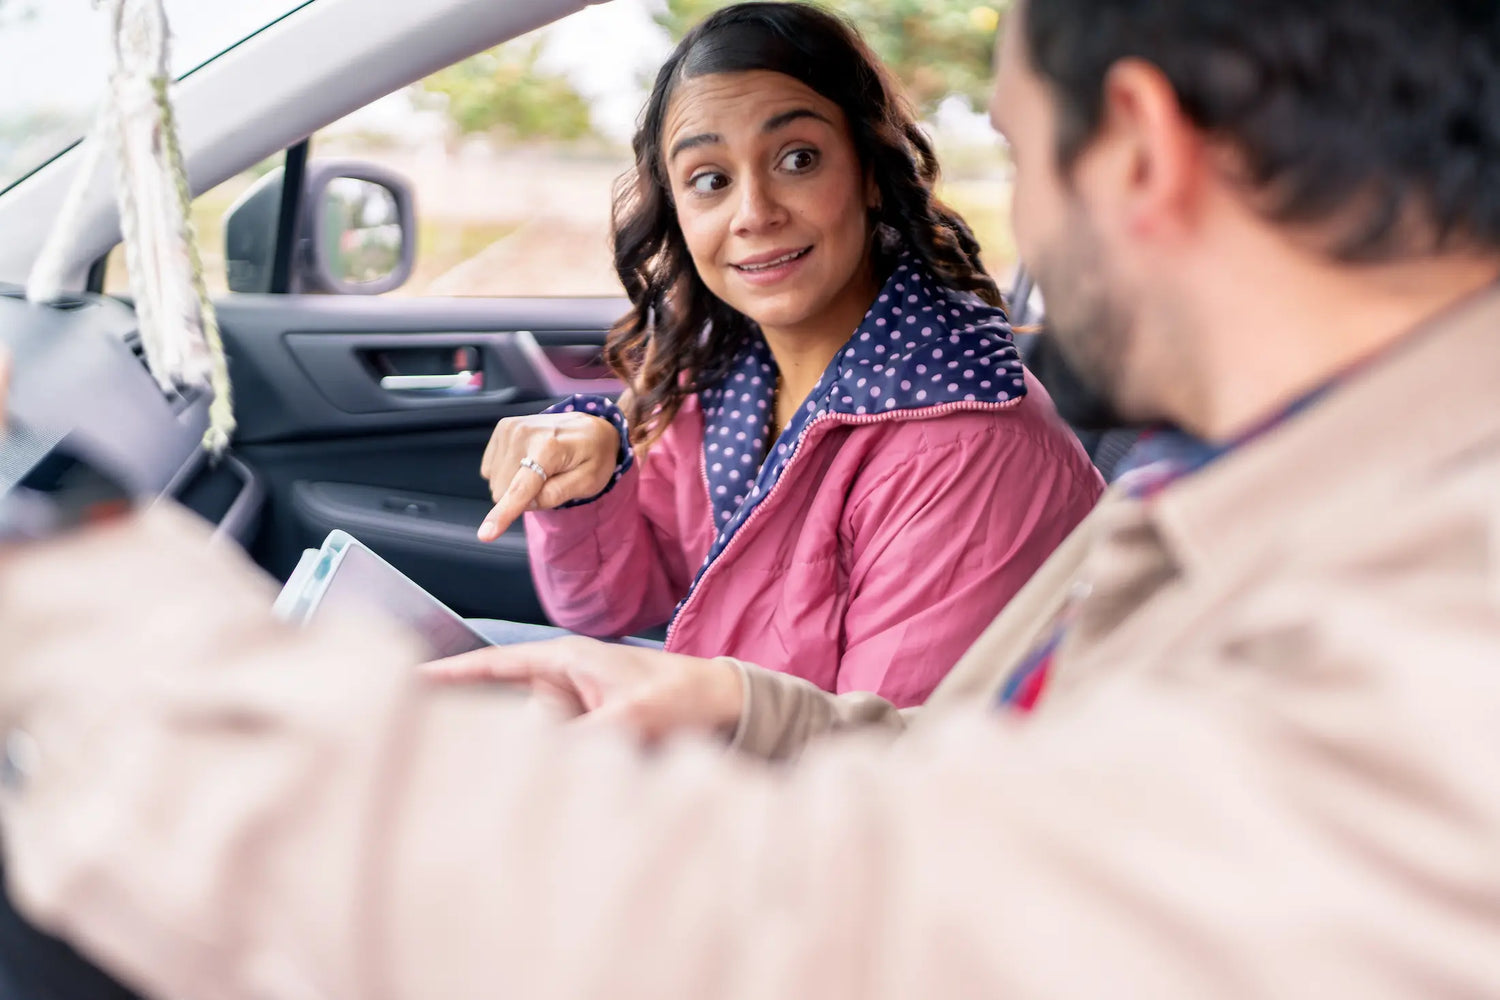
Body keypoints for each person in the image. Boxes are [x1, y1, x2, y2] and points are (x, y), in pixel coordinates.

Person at [4, 0, 1500, 997]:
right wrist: (717, 679)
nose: (757, 208)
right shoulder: (1241, 492)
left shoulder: (1434, 626)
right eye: (706, 177)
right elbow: (920, 740)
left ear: (1141, 147)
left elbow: (850, 898)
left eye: (1023, 156)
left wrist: (57, 571)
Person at [466, 2, 1102, 707]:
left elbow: (886, 771)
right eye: (710, 179)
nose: (754, 212)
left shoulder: (963, 446)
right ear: (676, 209)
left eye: (797, 159)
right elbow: (610, 609)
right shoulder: (721, 373)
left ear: (866, 171)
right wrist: (591, 478)